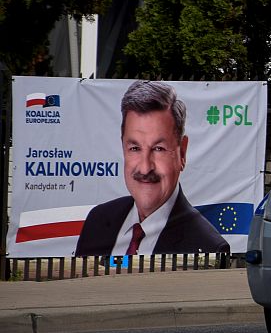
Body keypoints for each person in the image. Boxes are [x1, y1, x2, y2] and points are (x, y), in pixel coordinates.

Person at [74, 81, 230, 257]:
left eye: (158, 149)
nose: (145, 167)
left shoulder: (207, 248)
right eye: (135, 148)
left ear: (182, 153)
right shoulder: (98, 221)